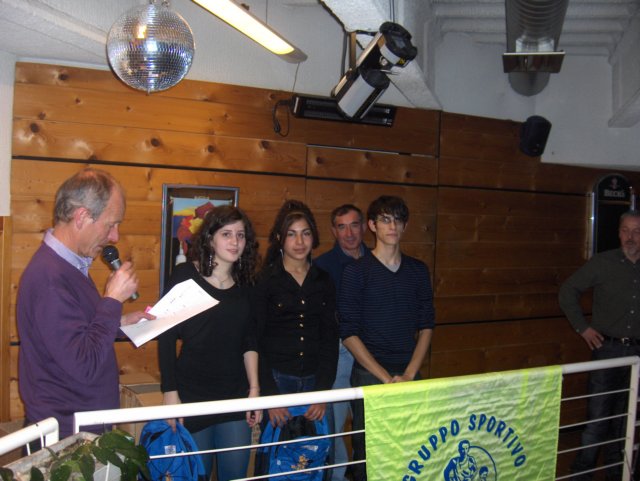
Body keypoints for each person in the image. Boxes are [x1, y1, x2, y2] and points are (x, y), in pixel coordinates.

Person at [17, 168, 152, 440]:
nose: (114, 237)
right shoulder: (50, 278)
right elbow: (84, 365)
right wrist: (112, 300)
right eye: (111, 224)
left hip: (80, 428)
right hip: (67, 439)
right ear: (81, 217)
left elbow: (74, 333)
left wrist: (120, 323)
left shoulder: (68, 265)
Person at [158, 205, 262, 481]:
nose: (235, 241)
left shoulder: (246, 283)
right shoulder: (185, 274)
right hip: (193, 393)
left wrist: (254, 390)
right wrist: (170, 393)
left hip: (234, 393)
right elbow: (166, 336)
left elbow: (249, 339)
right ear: (210, 238)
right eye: (226, 234)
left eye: (240, 235)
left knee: (235, 475)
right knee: (197, 475)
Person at [338, 195, 435, 481]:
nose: (392, 226)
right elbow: (348, 333)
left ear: (405, 226)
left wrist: (409, 375)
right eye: (385, 219)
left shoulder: (418, 271)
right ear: (372, 225)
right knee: (368, 454)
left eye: (398, 220)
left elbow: (427, 325)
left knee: (413, 450)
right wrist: (384, 378)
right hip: (370, 375)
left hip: (409, 372)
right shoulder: (355, 272)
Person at [253, 200, 338, 473]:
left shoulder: (324, 280)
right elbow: (256, 341)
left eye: (305, 233)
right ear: (280, 238)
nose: (299, 242)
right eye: (292, 234)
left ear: (314, 237)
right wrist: (270, 398)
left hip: (316, 382)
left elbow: (330, 340)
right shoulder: (265, 280)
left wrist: (322, 392)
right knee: (275, 462)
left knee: (317, 460)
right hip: (278, 381)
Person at [559, 210, 640, 481]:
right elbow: (567, 291)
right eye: (625, 230)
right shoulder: (602, 263)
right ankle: (582, 473)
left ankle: (618, 473)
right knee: (598, 418)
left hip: (637, 355)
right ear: (618, 233)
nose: (630, 237)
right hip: (608, 351)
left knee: (625, 419)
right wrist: (583, 328)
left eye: (636, 231)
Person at [315, 204, 368, 481]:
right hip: (338, 352)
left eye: (354, 225)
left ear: (364, 226)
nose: (349, 233)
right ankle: (337, 476)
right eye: (342, 227)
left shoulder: (377, 260)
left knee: (370, 424)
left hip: (373, 352)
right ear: (334, 231)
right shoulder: (322, 266)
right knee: (334, 425)